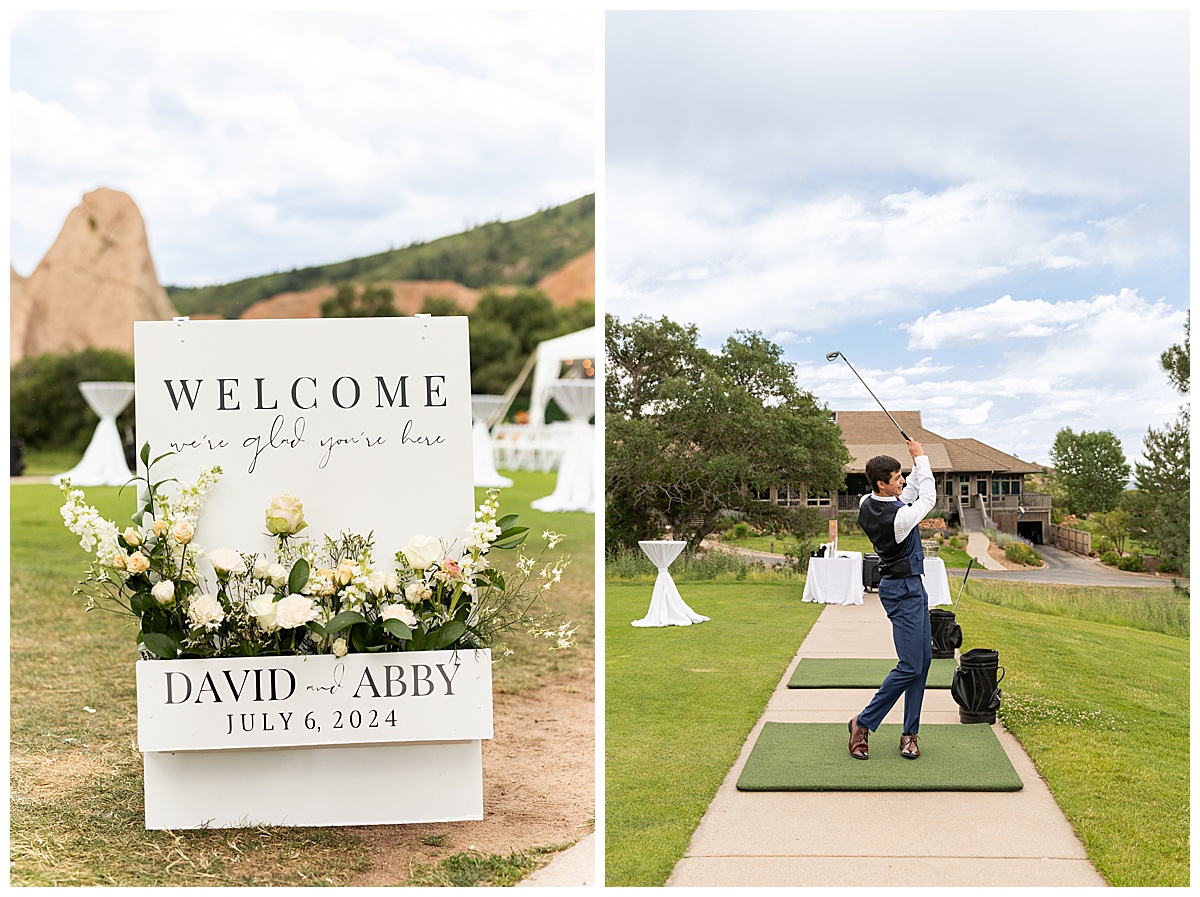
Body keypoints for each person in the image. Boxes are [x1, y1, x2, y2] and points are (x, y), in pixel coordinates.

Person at [848, 438, 936, 760]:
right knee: (911, 665)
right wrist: (921, 459)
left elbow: (908, 494)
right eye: (897, 478)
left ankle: (910, 734)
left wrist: (909, 474)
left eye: (903, 475)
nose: (903, 481)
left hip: (912, 587)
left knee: (923, 662)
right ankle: (863, 722)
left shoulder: (866, 501)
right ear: (882, 484)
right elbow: (926, 497)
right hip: (902, 591)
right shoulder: (898, 521)